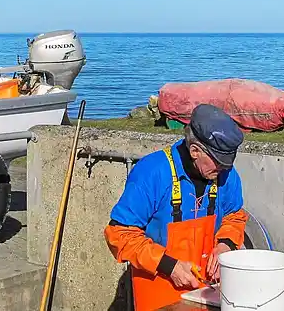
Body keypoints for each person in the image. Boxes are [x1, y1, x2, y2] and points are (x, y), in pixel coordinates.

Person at [104, 104, 248, 311]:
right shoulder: (151, 172)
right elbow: (120, 234)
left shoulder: (225, 173)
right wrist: (169, 266)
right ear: (195, 151)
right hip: (158, 294)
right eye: (218, 162)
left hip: (207, 294)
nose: (224, 169)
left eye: (228, 163)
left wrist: (226, 244)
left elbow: (234, 217)